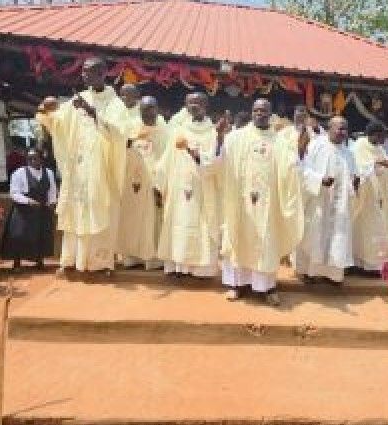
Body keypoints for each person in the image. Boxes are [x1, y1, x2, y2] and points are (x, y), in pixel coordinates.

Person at [36, 58, 127, 275]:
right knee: (75, 212)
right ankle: (71, 261)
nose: (84, 75)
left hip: (100, 171)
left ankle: (99, 263)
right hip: (77, 169)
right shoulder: (78, 99)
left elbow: (120, 134)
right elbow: (59, 123)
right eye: (83, 71)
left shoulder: (115, 103)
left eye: (89, 72)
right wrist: (46, 111)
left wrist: (92, 112)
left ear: (103, 74)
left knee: (98, 212)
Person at [218, 99, 302, 306]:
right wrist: (219, 138)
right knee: (239, 238)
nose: (260, 114)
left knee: (266, 242)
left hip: (268, 205)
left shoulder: (280, 141)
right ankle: (237, 285)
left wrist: (297, 156)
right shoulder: (236, 138)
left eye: (264, 111)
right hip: (242, 202)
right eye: (256, 110)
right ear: (251, 112)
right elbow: (223, 161)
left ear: (270, 114)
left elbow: (290, 166)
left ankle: (267, 288)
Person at [155, 92, 222, 280]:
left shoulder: (213, 132)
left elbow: (217, 163)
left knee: (202, 225)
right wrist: (159, 183)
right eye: (190, 102)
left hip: (203, 188)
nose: (194, 106)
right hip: (178, 187)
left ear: (205, 105)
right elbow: (166, 160)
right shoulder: (178, 131)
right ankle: (179, 267)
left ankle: (201, 270)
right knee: (179, 223)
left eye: (198, 102)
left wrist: (199, 156)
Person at [294, 116, 357, 286]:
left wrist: (354, 182)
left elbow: (353, 177)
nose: (342, 132)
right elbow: (303, 170)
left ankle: (333, 275)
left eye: (345, 129)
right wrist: (320, 179)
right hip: (318, 201)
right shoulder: (316, 146)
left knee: (337, 238)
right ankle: (309, 272)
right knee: (315, 236)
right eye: (339, 128)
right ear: (329, 129)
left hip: (340, 205)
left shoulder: (349, 154)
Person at [115, 92, 165, 270]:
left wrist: (161, 185)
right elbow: (119, 148)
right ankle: (131, 256)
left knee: (153, 222)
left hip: (155, 185)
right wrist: (132, 139)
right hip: (133, 184)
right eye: (144, 109)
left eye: (151, 109)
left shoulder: (164, 130)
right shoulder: (131, 126)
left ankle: (152, 258)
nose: (147, 113)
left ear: (157, 109)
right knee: (132, 220)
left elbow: (168, 159)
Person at [350, 123, 388, 273]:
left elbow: (384, 171)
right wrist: (379, 163)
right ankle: (354, 263)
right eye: (383, 135)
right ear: (375, 134)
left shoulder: (379, 149)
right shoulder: (359, 146)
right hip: (362, 199)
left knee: (374, 231)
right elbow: (358, 170)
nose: (385, 138)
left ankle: (370, 266)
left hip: (376, 199)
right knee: (359, 231)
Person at [1, 148, 56, 268]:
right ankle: (17, 263)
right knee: (19, 235)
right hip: (23, 210)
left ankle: (39, 261)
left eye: (35, 158)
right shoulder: (19, 173)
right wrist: (28, 201)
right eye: (29, 158)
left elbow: (52, 190)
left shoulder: (49, 173)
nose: (32, 161)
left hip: (42, 209)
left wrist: (52, 202)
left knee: (41, 234)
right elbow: (14, 193)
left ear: (41, 159)